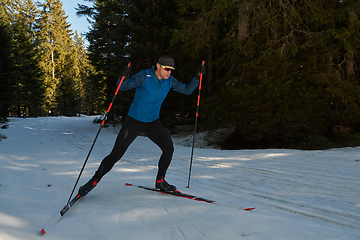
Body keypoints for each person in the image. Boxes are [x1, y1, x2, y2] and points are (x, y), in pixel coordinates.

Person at [78, 54, 204, 196]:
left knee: (168, 148)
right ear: (158, 66)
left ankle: (160, 181)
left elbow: (187, 90)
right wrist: (123, 77)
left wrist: (197, 77)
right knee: (116, 155)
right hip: (134, 122)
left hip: (152, 123)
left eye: (171, 69)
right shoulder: (144, 76)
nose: (169, 72)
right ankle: (93, 181)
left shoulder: (169, 81)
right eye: (166, 68)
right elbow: (123, 86)